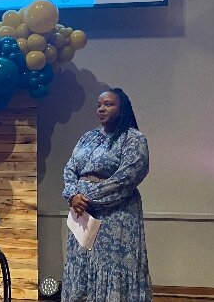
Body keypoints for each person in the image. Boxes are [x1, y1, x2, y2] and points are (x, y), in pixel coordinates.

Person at [62, 87, 152, 301]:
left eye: (108, 104)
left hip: (116, 216)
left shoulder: (133, 139)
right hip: (82, 214)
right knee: (82, 265)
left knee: (111, 268)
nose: (101, 109)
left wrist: (87, 196)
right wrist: (73, 195)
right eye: (99, 105)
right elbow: (70, 169)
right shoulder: (87, 138)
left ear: (123, 110)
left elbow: (127, 176)